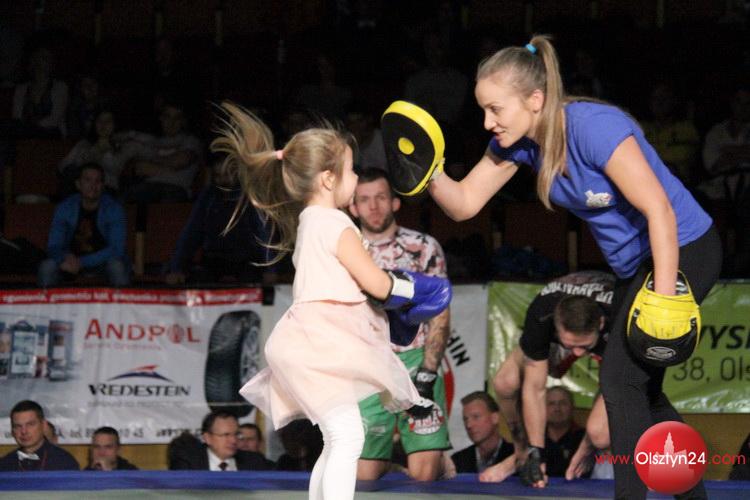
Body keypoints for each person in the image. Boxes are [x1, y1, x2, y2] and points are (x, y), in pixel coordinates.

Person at [414, 35, 721, 499]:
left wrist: (663, 298)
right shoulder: (521, 144)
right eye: (483, 110)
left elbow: (659, 209)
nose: (487, 122)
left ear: (535, 100)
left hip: (682, 249)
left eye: (495, 109)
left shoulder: (594, 128)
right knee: (642, 392)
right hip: (635, 269)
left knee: (620, 382)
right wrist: (428, 170)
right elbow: (464, 204)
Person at [213, 102, 450, 500]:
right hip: (323, 345)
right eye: (351, 170)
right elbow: (377, 284)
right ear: (327, 179)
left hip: (311, 344)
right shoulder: (337, 224)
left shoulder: (310, 220)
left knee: (339, 435)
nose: (355, 178)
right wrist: (416, 290)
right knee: (347, 435)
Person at [348, 168, 452, 482]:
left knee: (425, 475)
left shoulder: (423, 246)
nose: (373, 206)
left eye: (381, 197)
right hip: (368, 366)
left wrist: (428, 371)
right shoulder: (346, 249)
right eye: (364, 199)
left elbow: (440, 311)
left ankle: (433, 461)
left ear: (395, 202)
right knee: (364, 476)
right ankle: (391, 464)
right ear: (353, 207)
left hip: (415, 358)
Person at [489, 271, 613, 481]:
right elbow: (535, 389)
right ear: (556, 326)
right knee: (504, 382)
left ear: (600, 324)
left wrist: (586, 445)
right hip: (560, 321)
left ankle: (593, 450)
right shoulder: (542, 312)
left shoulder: (618, 318)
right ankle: (521, 454)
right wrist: (536, 453)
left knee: (599, 434)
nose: (578, 354)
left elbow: (612, 386)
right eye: (570, 345)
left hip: (610, 336)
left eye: (584, 346)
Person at [164, 157, 272, 286]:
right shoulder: (208, 196)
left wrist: (271, 269)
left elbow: (263, 235)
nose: (223, 180)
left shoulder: (250, 197)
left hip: (247, 261)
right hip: (213, 260)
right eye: (218, 176)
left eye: (227, 174)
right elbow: (191, 234)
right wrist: (176, 268)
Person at [37, 162, 130, 287]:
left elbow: (116, 249)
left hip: (102, 263)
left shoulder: (114, 209)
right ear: (78, 184)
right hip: (69, 263)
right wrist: (64, 258)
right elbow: (54, 245)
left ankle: (122, 300)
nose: (93, 185)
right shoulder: (65, 208)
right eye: (88, 180)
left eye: (98, 181)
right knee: (47, 267)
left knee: (117, 267)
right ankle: (46, 300)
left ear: (103, 186)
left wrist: (81, 262)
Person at [125, 101, 202, 204]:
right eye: (167, 117)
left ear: (183, 121)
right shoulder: (152, 141)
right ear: (161, 118)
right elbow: (137, 167)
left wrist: (150, 165)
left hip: (175, 188)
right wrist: (168, 168)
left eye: (177, 118)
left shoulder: (190, 141)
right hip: (145, 187)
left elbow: (180, 161)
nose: (172, 122)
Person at [59, 108, 138, 194]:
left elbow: (115, 171)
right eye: (99, 121)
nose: (103, 124)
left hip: (107, 189)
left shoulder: (121, 147)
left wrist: (130, 134)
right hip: (81, 188)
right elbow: (63, 165)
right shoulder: (83, 144)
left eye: (108, 121)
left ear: (114, 125)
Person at [169, 411, 272, 471]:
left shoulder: (254, 461)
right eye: (226, 435)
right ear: (207, 438)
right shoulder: (188, 463)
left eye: (236, 434)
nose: (233, 440)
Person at [0, 400, 79, 471]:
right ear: (12, 430)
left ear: (43, 425)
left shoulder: (64, 462)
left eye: (30, 424)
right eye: (18, 426)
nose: (24, 431)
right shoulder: (4, 465)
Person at [450, 391, 514, 476]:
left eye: (476, 417)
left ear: (495, 418)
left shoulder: (516, 457)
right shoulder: (457, 461)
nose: (469, 425)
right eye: (465, 419)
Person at [543, 387, 585, 477]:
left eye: (563, 403)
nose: (557, 408)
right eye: (551, 404)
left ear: (572, 407)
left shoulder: (585, 438)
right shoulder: (534, 439)